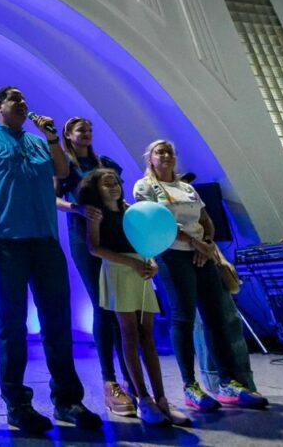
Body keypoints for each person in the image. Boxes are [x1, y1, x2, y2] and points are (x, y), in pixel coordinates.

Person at [0, 86, 102, 434]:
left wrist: (51, 136)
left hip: (46, 241)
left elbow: (62, 171)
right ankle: (17, 404)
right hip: (7, 241)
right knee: (12, 321)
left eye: (24, 100)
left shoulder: (38, 142)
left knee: (57, 320)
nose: (23, 104)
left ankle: (67, 400)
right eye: (15, 100)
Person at [133, 140, 266, 411]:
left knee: (216, 317)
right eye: (160, 152)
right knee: (183, 317)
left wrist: (206, 244)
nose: (166, 155)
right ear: (150, 158)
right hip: (172, 254)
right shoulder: (144, 187)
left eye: (170, 151)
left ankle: (228, 382)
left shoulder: (187, 188)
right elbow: (158, 223)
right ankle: (190, 386)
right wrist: (195, 243)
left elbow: (205, 220)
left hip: (201, 254)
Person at [79, 168, 190, 426]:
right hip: (118, 270)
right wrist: (130, 263)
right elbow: (94, 248)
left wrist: (152, 262)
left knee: (147, 335)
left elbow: (146, 241)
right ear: (96, 190)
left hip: (141, 270)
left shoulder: (131, 209)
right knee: (129, 333)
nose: (113, 187)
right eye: (106, 184)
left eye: (115, 183)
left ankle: (161, 398)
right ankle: (142, 397)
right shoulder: (97, 214)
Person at [55, 116, 135, 417]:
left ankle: (131, 377)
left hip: (113, 233)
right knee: (102, 305)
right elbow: (53, 197)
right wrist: (77, 208)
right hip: (84, 235)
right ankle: (109, 380)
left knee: (122, 306)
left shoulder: (105, 163)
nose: (86, 134)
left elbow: (119, 195)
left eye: (89, 130)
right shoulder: (65, 166)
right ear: (68, 135)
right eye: (80, 130)